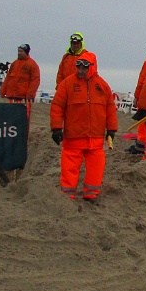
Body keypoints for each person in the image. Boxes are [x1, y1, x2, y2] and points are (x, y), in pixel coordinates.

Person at [50, 51, 118, 203]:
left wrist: (111, 130)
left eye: (84, 67)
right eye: (78, 67)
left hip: (96, 138)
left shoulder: (102, 86)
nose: (80, 70)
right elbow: (57, 107)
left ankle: (91, 195)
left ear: (92, 67)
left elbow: (110, 108)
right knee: (69, 168)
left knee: (96, 168)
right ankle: (67, 196)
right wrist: (56, 128)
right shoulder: (67, 84)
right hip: (74, 136)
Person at [126, 40, 146, 156]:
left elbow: (141, 81)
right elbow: (142, 81)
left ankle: (142, 147)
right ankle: (142, 147)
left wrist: (137, 96)